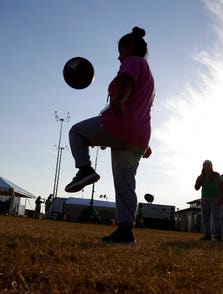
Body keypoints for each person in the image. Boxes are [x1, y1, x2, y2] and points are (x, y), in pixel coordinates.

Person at [64, 27, 155, 244]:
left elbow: (126, 83)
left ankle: (84, 169)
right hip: (139, 136)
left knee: (76, 131)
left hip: (120, 126)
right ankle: (126, 231)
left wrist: (119, 100)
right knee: (125, 184)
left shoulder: (133, 61)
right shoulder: (149, 73)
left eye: (120, 51)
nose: (118, 56)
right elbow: (143, 108)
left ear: (130, 47)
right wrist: (145, 143)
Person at [195, 160, 223, 241]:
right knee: (205, 218)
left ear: (211, 166)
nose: (207, 166)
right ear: (203, 167)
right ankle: (207, 235)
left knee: (217, 218)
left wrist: (222, 198)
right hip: (204, 199)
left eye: (209, 165)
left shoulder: (216, 175)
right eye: (205, 165)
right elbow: (196, 188)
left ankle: (218, 236)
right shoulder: (201, 176)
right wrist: (198, 180)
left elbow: (222, 187)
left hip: (215, 198)